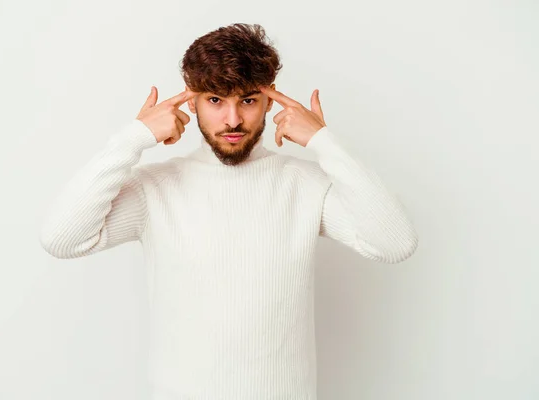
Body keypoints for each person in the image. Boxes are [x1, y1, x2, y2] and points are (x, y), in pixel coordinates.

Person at [39, 23, 418, 400]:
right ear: (192, 102)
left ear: (270, 101)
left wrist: (323, 141)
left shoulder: (305, 185)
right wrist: (133, 138)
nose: (233, 120)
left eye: (248, 100)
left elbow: (395, 243)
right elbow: (61, 239)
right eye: (216, 100)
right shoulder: (155, 188)